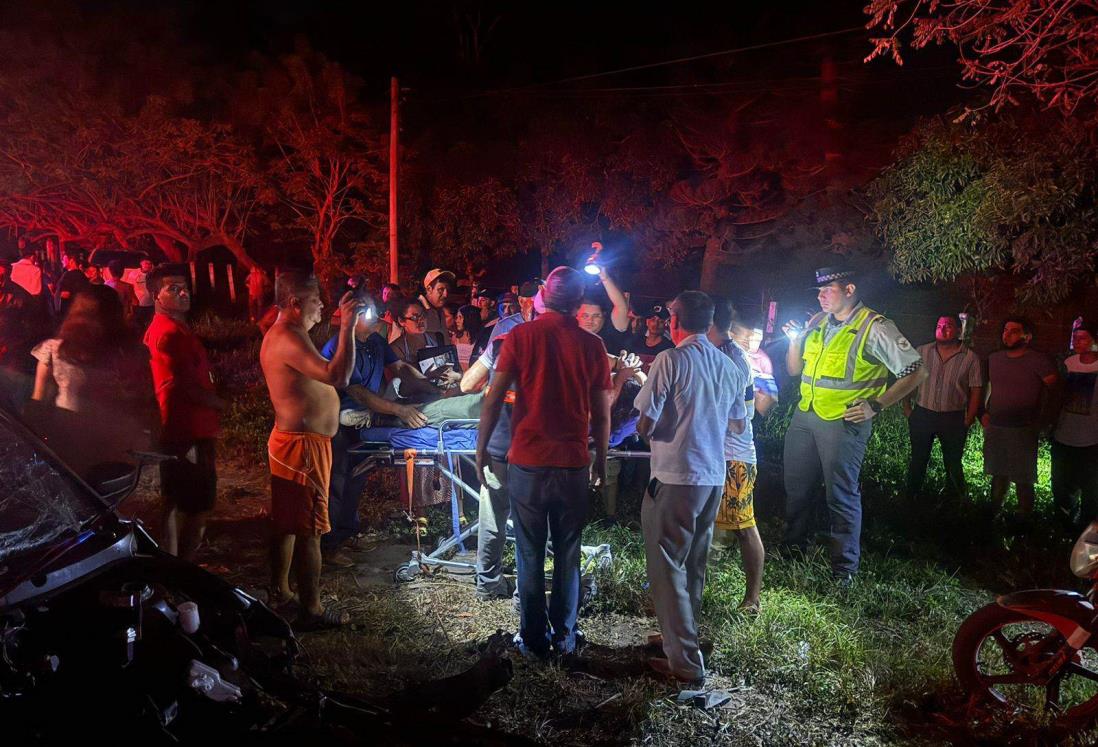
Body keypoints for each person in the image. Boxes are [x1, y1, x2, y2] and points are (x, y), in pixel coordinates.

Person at [477, 267, 611, 658]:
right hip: (571, 463)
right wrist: (599, 461)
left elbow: (491, 397)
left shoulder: (520, 336)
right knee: (568, 552)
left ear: (543, 297)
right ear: (577, 301)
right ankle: (565, 636)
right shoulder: (593, 346)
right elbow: (601, 415)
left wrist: (480, 448)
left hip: (527, 463)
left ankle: (533, 639)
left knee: (529, 551)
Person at [782, 267, 925, 584]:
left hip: (844, 421)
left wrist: (876, 405)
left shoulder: (875, 326)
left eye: (827, 289)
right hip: (806, 414)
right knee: (797, 489)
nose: (820, 296)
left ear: (850, 289)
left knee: (841, 496)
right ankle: (792, 549)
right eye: (817, 291)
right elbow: (794, 370)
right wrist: (797, 340)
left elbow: (916, 371)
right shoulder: (817, 322)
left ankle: (843, 570)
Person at [635, 291, 746, 685]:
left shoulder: (671, 360)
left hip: (675, 477)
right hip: (712, 477)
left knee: (666, 568)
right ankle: (682, 638)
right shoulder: (729, 366)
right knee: (692, 567)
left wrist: (660, 430)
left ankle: (684, 664)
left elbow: (644, 422)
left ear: (676, 321)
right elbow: (737, 423)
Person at [259, 269, 363, 628]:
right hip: (302, 448)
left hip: (297, 442)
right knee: (310, 530)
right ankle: (312, 609)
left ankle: (279, 590)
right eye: (316, 298)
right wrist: (347, 327)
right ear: (294, 302)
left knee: (288, 523)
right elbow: (338, 376)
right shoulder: (287, 337)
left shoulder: (289, 333)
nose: (322, 304)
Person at [319, 295, 437, 567]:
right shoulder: (340, 346)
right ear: (352, 317)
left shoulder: (375, 342)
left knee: (357, 478)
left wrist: (432, 385)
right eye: (369, 313)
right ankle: (329, 544)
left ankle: (347, 533)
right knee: (337, 482)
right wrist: (399, 411)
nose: (376, 318)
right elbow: (358, 392)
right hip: (337, 422)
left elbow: (399, 368)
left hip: (365, 421)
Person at [29, 285, 156, 478]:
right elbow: (145, 398)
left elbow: (37, 400)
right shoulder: (132, 352)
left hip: (72, 436)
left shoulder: (54, 351)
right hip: (119, 439)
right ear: (116, 314)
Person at [463, 280, 538, 601]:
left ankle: (488, 582)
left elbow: (468, 384)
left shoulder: (501, 341)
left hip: (498, 444)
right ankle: (525, 593)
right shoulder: (556, 344)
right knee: (529, 522)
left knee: (493, 516)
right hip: (532, 448)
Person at [143, 265, 224, 561]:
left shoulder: (176, 330)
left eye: (184, 287)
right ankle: (181, 569)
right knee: (192, 505)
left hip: (188, 428)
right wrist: (221, 404)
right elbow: (183, 386)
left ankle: (175, 568)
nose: (182, 292)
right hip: (186, 430)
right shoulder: (167, 334)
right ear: (155, 295)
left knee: (179, 500)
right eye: (172, 288)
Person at [708, 298, 764, 613]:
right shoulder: (718, 353)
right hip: (716, 454)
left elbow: (739, 420)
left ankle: (752, 599)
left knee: (743, 525)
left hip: (735, 457)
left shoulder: (734, 358)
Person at [980, 317, 1059, 516]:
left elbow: (1056, 390)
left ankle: (1024, 519)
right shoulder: (994, 359)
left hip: (1023, 428)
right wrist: (982, 413)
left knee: (1023, 479)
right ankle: (993, 513)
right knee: (998, 474)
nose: (1007, 334)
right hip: (997, 426)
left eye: (1014, 331)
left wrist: (1044, 421)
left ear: (1027, 336)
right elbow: (984, 388)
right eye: (1005, 330)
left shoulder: (1038, 360)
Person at [903, 314, 983, 499]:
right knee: (918, 459)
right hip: (923, 413)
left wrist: (969, 418)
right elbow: (910, 380)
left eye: (948, 325)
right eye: (939, 325)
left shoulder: (970, 358)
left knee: (953, 462)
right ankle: (911, 497)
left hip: (953, 417)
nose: (942, 328)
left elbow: (976, 390)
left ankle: (955, 500)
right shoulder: (922, 351)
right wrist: (906, 406)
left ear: (957, 330)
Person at [1052, 321, 1098, 528]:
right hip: (1064, 434)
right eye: (1075, 337)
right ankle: (1063, 521)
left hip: (1092, 438)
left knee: (1091, 486)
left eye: (1083, 338)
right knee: (1061, 482)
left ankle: (1086, 526)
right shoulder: (1067, 364)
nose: (1076, 341)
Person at [389, 299, 462, 390]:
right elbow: (405, 379)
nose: (421, 320)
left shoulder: (438, 338)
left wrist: (457, 376)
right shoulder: (396, 348)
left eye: (423, 315)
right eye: (415, 317)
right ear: (401, 321)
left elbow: (456, 368)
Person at [730, 311, 779, 416]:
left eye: (759, 340)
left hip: (746, 415)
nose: (754, 344)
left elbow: (767, 405)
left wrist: (764, 392)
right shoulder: (726, 353)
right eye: (750, 338)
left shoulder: (763, 360)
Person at [417, 268, 454, 336]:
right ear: (429, 289)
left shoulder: (439, 310)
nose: (445, 294)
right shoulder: (417, 311)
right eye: (440, 290)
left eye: (447, 290)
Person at [55, 251, 90, 319]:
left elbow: (65, 295)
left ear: (71, 261)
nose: (62, 261)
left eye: (64, 259)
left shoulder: (68, 275)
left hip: (70, 313)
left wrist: (62, 316)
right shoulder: (83, 275)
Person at [124, 257, 156, 327]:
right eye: (146, 263)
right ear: (141, 263)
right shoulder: (134, 273)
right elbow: (129, 287)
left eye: (150, 264)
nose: (148, 265)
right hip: (138, 306)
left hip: (151, 305)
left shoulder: (154, 274)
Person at [451, 304, 484, 370]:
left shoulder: (481, 337)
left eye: (460, 317)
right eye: (457, 317)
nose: (457, 321)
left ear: (469, 318)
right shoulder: (455, 337)